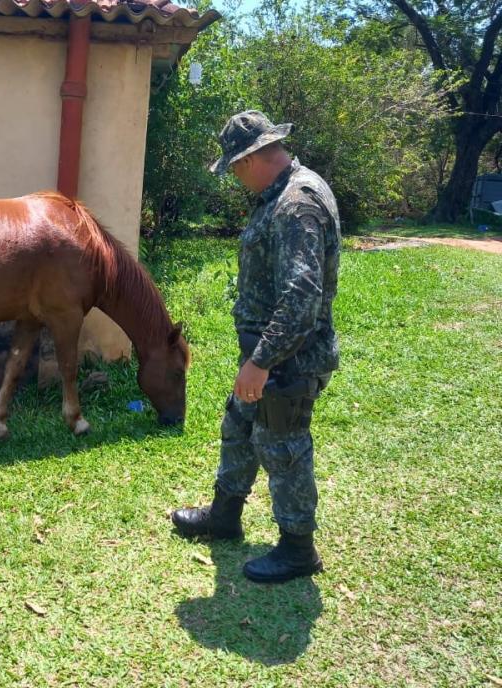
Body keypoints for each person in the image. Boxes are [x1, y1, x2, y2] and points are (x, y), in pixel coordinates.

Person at [171, 111, 341, 584]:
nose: (235, 178)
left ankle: (297, 549)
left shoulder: (296, 203)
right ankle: (224, 516)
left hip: (289, 358)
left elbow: (301, 296)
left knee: (282, 445)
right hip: (266, 354)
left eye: (234, 167)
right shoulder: (278, 194)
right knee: (240, 425)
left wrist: (262, 362)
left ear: (251, 159)